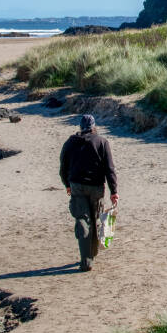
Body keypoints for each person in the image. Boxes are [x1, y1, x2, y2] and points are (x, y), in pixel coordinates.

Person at [59, 114, 119, 272]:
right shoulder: (101, 142)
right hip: (96, 187)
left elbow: (63, 167)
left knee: (83, 220)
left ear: (80, 127)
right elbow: (109, 169)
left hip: (77, 185)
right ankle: (91, 254)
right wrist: (114, 191)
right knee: (94, 219)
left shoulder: (70, 142)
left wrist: (67, 184)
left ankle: (86, 259)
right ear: (94, 126)